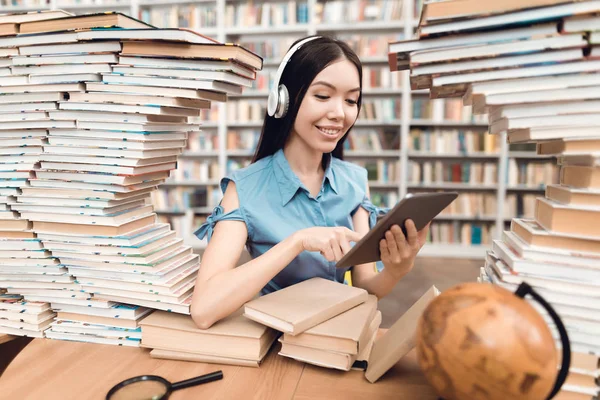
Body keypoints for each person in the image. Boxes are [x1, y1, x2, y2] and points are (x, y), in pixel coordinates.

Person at [190, 35, 430, 329]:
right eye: (323, 96)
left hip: (336, 338)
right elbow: (203, 309)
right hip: (277, 346)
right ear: (283, 100)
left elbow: (367, 288)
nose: (339, 113)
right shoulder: (244, 189)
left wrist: (396, 270)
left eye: (351, 100)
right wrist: (297, 242)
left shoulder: (354, 181)